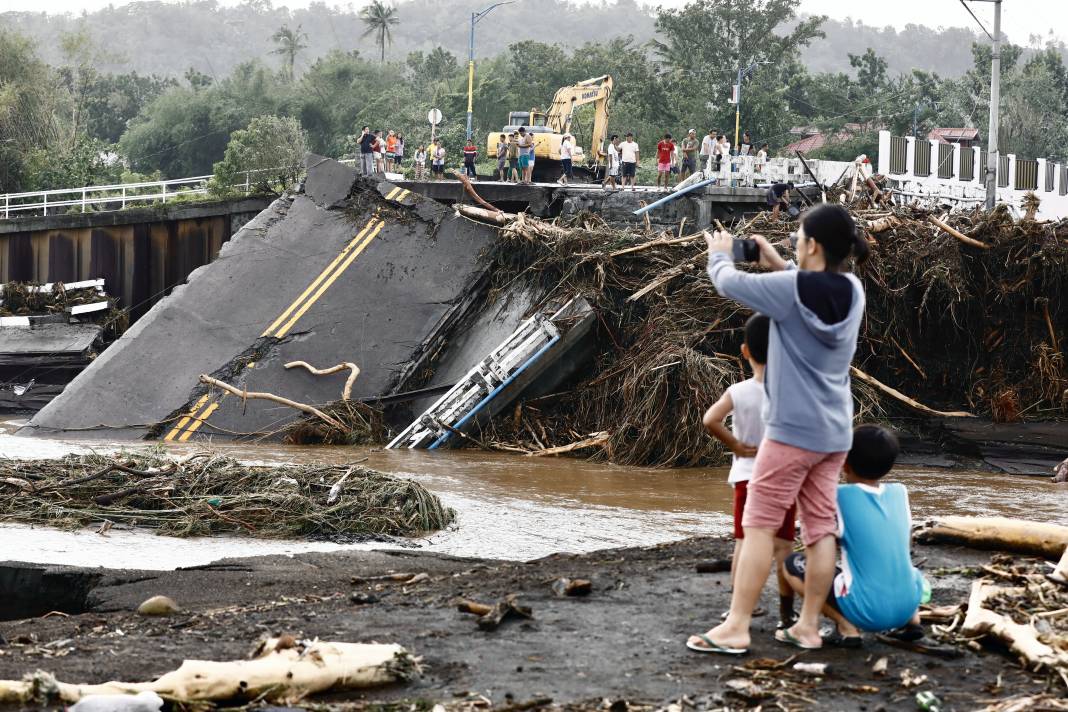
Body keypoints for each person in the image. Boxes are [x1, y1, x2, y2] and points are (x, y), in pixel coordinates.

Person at [687, 203, 869, 655]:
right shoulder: (853, 289)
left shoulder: (790, 290)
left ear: (812, 245)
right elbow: (809, 289)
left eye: (797, 238)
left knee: (759, 526)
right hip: (834, 432)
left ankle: (736, 626)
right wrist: (776, 260)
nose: (793, 244)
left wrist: (720, 252)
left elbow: (727, 282)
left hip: (789, 433)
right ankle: (808, 626)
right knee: (820, 527)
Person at [780, 425, 926, 647]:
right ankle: (913, 620)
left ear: (844, 464)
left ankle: (847, 627)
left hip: (867, 611)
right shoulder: (899, 493)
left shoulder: (839, 497)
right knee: (898, 563)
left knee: (792, 564)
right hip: (909, 601)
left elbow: (820, 537)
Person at [698, 313, 797, 635]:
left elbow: (710, 420)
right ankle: (786, 613)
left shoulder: (738, 391)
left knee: (744, 541)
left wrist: (737, 446)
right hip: (782, 475)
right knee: (783, 546)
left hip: (746, 475)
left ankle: (741, 606)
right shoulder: (789, 390)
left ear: (744, 351)